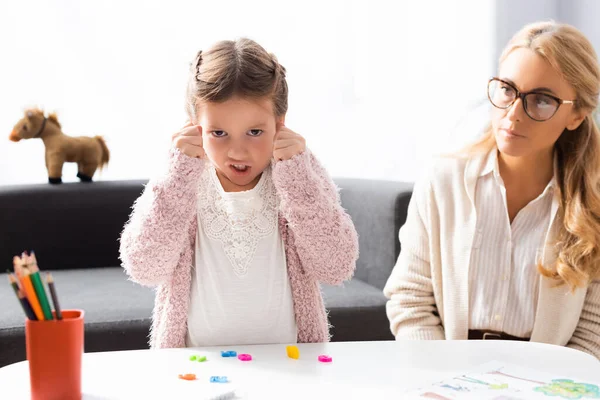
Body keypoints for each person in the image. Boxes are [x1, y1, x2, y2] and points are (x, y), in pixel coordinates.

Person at [120, 38, 358, 348]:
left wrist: (299, 179)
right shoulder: (180, 177)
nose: (237, 151)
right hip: (196, 366)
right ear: (195, 127)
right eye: (218, 133)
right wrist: (177, 177)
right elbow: (144, 267)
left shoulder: (301, 174)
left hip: (292, 364)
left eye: (255, 132)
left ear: (279, 125)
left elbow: (336, 265)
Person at [384, 21, 600, 359]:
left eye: (541, 100)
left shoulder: (592, 204)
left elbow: (593, 332)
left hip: (550, 383)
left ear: (577, 115)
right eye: (507, 90)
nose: (513, 115)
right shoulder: (443, 181)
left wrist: (545, 388)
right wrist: (441, 375)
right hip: (446, 376)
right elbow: (410, 300)